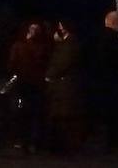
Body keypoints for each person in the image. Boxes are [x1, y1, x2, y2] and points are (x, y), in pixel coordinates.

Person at [6, 21, 51, 153]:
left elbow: (11, 65)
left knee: (29, 115)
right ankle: (29, 143)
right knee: (28, 115)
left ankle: (30, 142)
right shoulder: (23, 46)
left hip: (31, 85)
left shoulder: (36, 46)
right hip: (28, 85)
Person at [95, 11, 118, 153]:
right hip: (112, 84)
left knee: (110, 115)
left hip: (105, 83)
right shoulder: (113, 42)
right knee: (115, 115)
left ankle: (111, 143)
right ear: (115, 23)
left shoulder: (101, 38)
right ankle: (113, 144)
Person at [45, 20, 85, 153]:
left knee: (65, 118)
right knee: (62, 117)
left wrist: (50, 74)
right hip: (63, 85)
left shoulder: (70, 43)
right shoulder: (67, 43)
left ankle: (66, 147)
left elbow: (62, 62)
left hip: (66, 87)